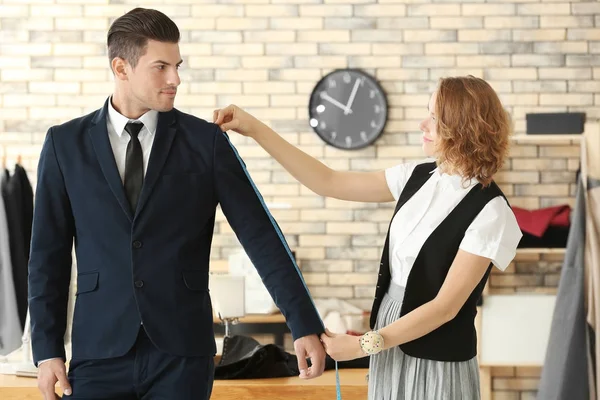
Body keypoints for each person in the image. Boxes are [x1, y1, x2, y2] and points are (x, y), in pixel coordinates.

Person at [29, 8, 325, 400]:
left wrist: (303, 323)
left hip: (182, 354)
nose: (175, 79)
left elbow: (262, 237)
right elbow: (47, 257)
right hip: (98, 353)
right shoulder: (65, 145)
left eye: (178, 65)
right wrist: (46, 351)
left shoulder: (207, 143)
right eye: (161, 67)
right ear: (121, 68)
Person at [213, 75, 523, 400]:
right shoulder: (417, 177)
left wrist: (363, 344)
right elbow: (327, 181)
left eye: (434, 117)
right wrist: (254, 128)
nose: (422, 124)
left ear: (462, 127)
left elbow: (445, 307)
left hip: (435, 353)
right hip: (388, 337)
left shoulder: (491, 211)